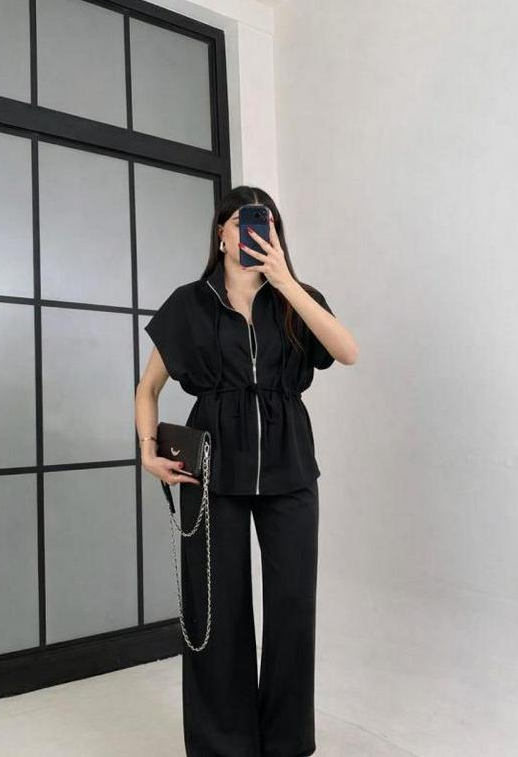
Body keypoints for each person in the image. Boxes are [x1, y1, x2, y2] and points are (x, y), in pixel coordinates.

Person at [135, 186, 359, 757]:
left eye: (267, 222)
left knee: (292, 609)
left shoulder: (296, 298)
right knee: (216, 609)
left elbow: (347, 351)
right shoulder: (190, 302)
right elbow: (148, 387)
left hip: (290, 466)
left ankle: (285, 744)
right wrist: (147, 449)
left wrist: (286, 282)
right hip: (211, 470)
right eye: (243, 221)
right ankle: (223, 746)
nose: (256, 231)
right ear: (221, 234)